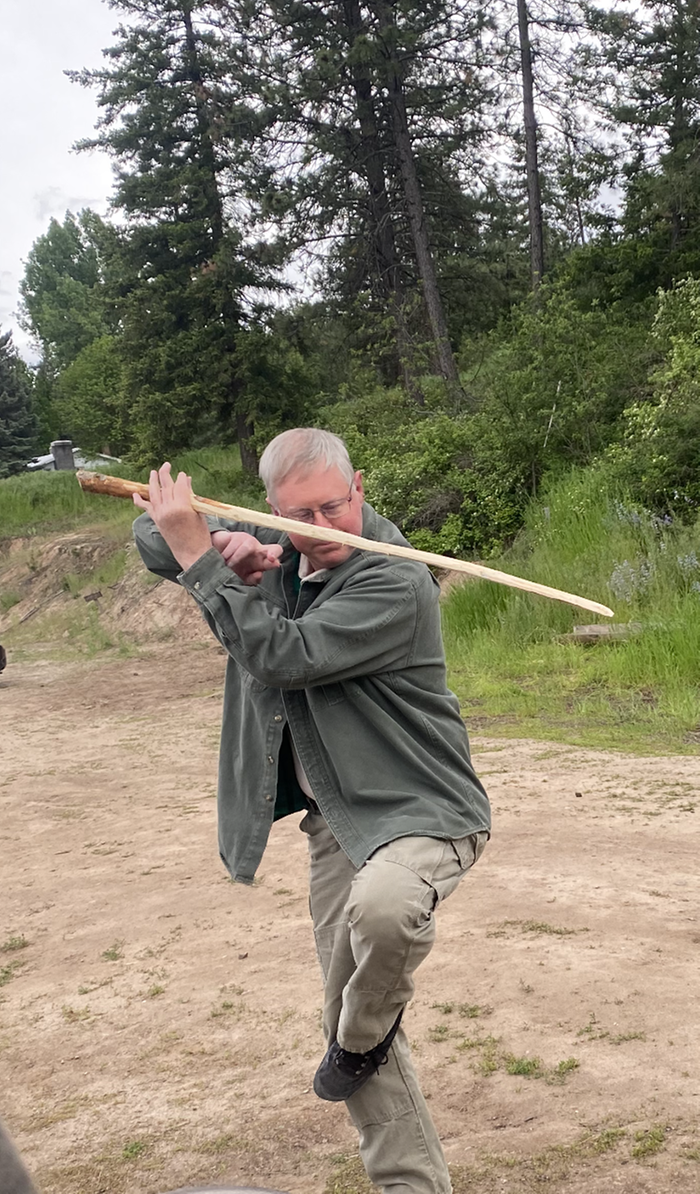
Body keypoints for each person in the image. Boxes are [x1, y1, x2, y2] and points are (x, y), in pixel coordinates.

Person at [132, 428, 491, 1194]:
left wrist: (206, 562)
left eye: (335, 506)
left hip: (423, 805)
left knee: (387, 911)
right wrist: (219, 539)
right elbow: (149, 531)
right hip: (339, 821)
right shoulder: (282, 538)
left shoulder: (396, 582)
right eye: (300, 516)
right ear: (272, 507)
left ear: (359, 486)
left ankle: (360, 1034)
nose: (322, 528)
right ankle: (410, 1182)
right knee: (344, 1007)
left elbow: (282, 655)